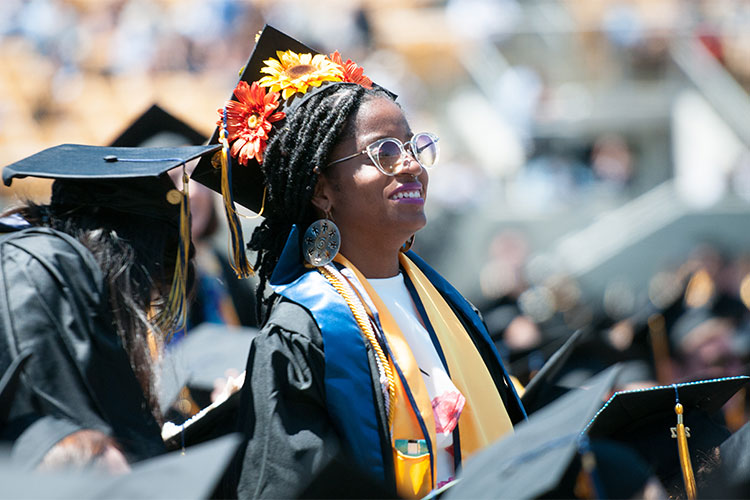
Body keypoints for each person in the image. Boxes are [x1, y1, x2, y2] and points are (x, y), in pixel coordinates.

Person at [192, 26, 526, 498]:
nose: (411, 164)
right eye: (384, 151)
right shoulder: (303, 330)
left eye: (413, 145)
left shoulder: (442, 301)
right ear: (323, 190)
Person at [0, 143, 219, 471]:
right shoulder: (33, 274)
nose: (142, 304)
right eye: (146, 287)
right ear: (124, 259)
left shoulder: (52, 265)